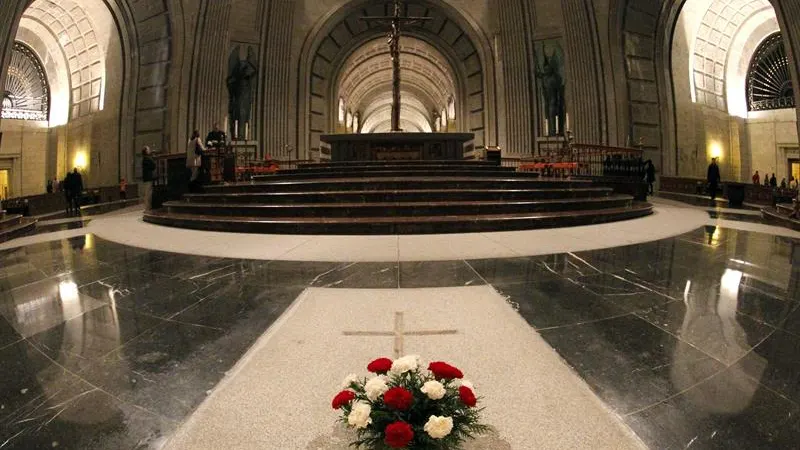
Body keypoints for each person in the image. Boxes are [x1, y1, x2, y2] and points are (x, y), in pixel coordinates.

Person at [141, 146, 156, 211]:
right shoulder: (147, 158)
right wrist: (152, 157)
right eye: (148, 149)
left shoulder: (145, 158)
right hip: (148, 178)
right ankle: (147, 208)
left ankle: (147, 207)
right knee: (148, 194)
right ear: (146, 151)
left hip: (146, 178)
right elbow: (153, 165)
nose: (150, 150)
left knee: (147, 193)